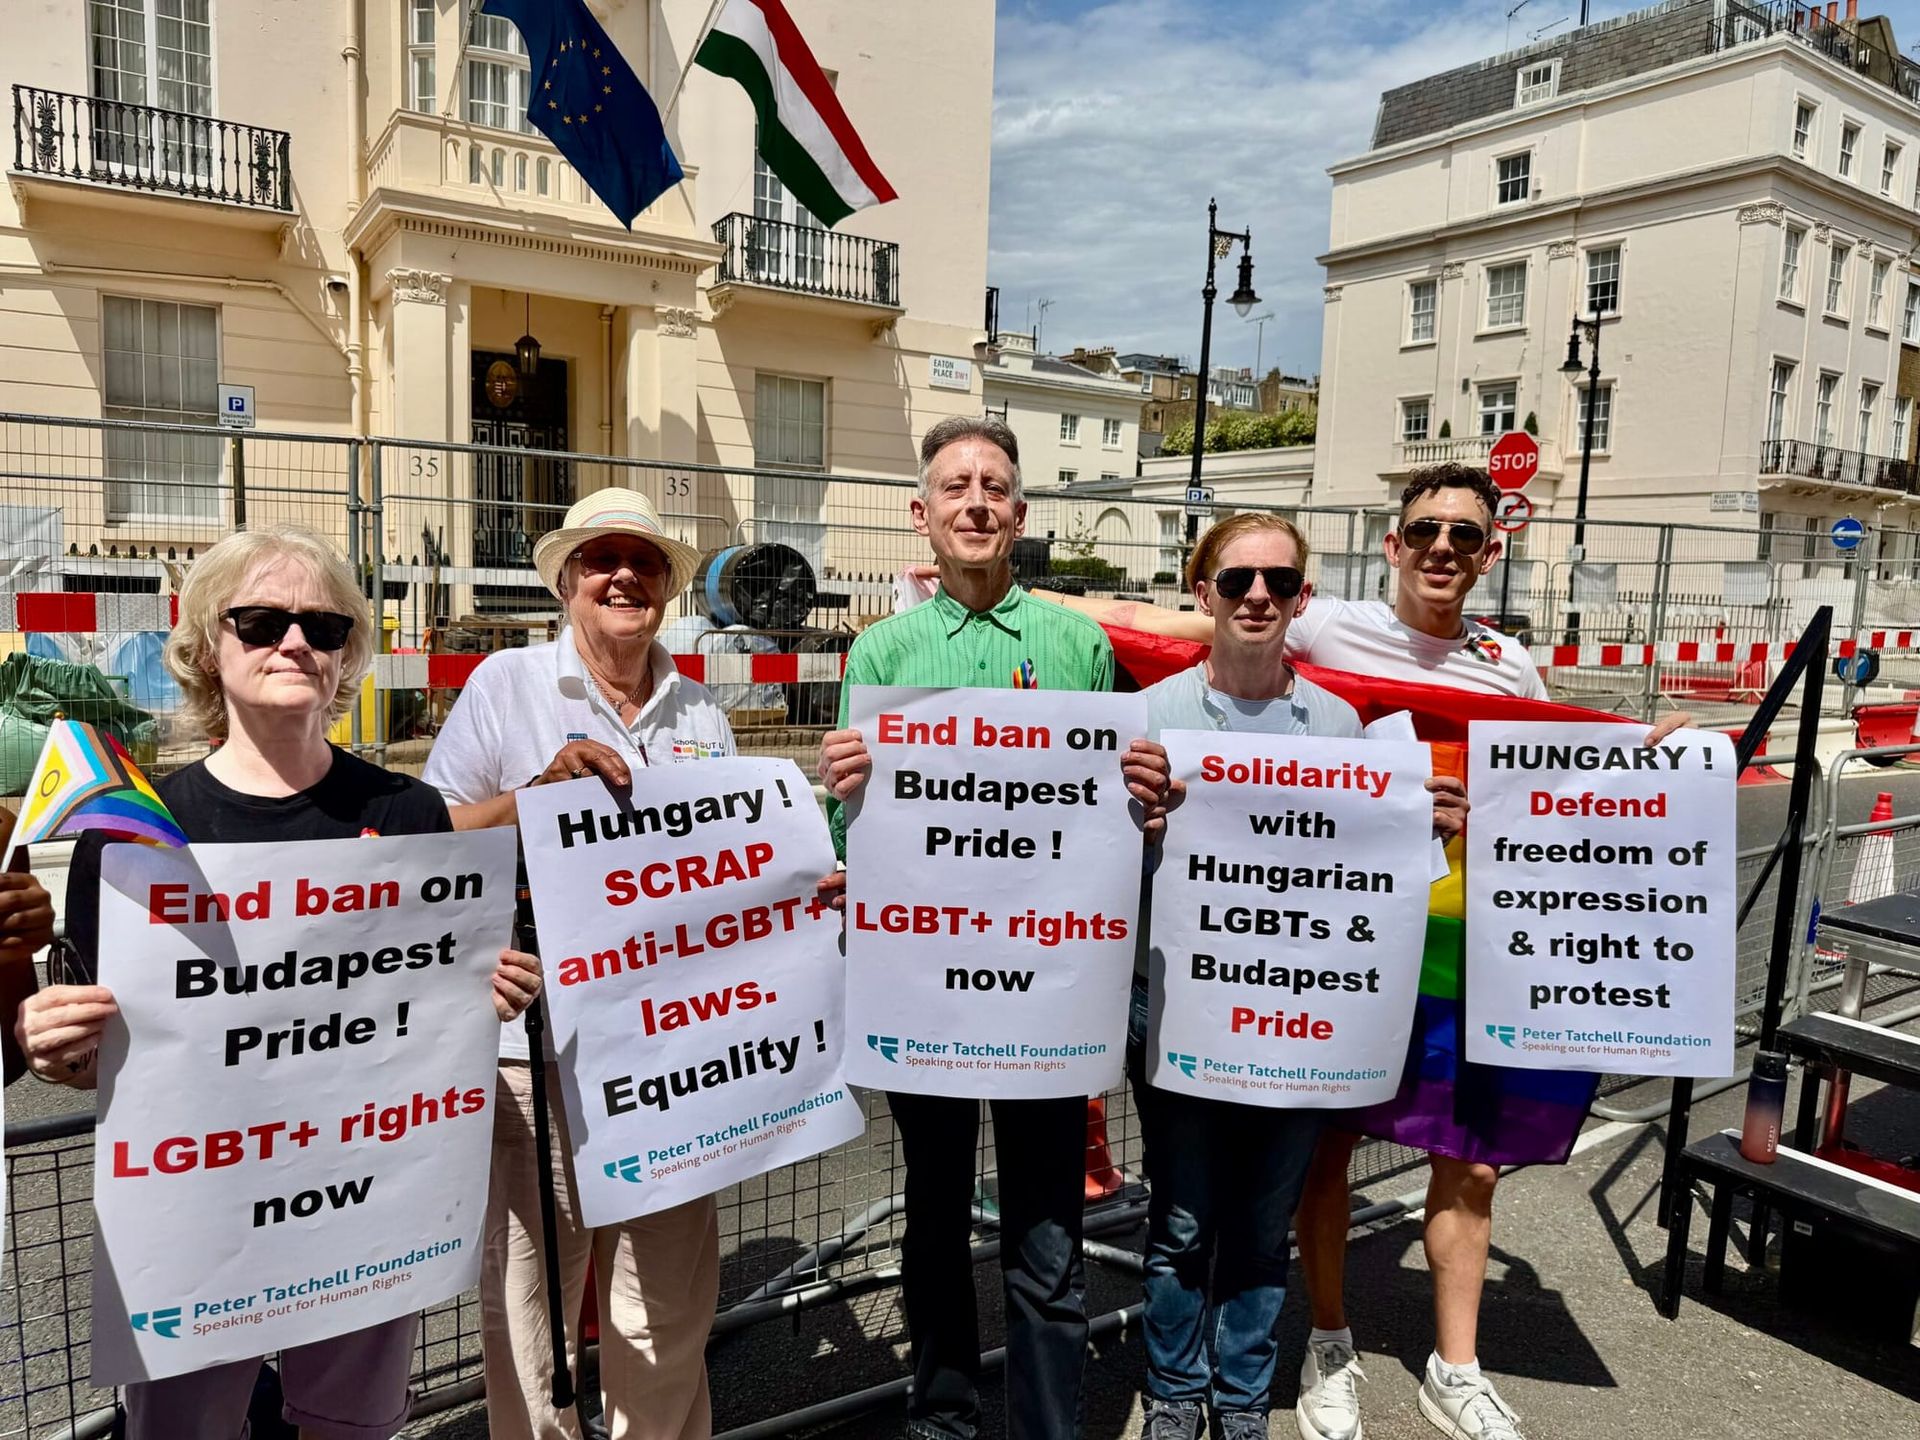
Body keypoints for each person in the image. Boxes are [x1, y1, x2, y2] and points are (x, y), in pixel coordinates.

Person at [12, 526, 542, 1440]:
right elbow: (108, 1053)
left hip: (368, 1204)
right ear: (205, 650)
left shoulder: (407, 813)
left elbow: (436, 1007)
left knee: (353, 1425)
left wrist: (484, 991)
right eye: (258, 622)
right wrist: (54, 1045)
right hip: (195, 1218)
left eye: (323, 627)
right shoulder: (138, 830)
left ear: (347, 658)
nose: (294, 643)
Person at [815, 414, 1170, 1440]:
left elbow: (1109, 816)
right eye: (956, 486)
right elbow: (857, 824)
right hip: (928, 982)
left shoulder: (1078, 644)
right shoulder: (882, 649)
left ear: (1018, 513)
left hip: (1049, 988)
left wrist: (1144, 789)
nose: (977, 502)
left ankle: (1050, 1425)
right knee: (934, 1218)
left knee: (1047, 1231)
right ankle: (943, 1418)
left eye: (995, 487)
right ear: (921, 516)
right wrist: (845, 789)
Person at [1129, 512, 1467, 1440]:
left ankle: (1241, 1398)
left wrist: (1422, 836)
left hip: (1298, 1015)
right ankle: (1173, 1391)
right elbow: (1100, 866)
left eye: (1279, 582)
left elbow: (1355, 870)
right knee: (1184, 1220)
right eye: (1237, 582)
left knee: (1261, 1221)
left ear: (1302, 599)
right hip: (1179, 1009)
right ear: (1203, 595)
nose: (1258, 597)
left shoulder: (1340, 722)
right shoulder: (1152, 716)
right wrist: (1137, 827)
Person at [424, 488, 733, 1440]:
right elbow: (428, 840)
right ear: (566, 582)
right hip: (538, 1050)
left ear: (670, 589)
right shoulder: (505, 685)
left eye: (643, 561)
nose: (623, 576)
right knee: (531, 1308)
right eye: (601, 560)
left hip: (674, 1053)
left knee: (668, 1307)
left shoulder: (702, 710)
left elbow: (731, 871)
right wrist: (531, 796)